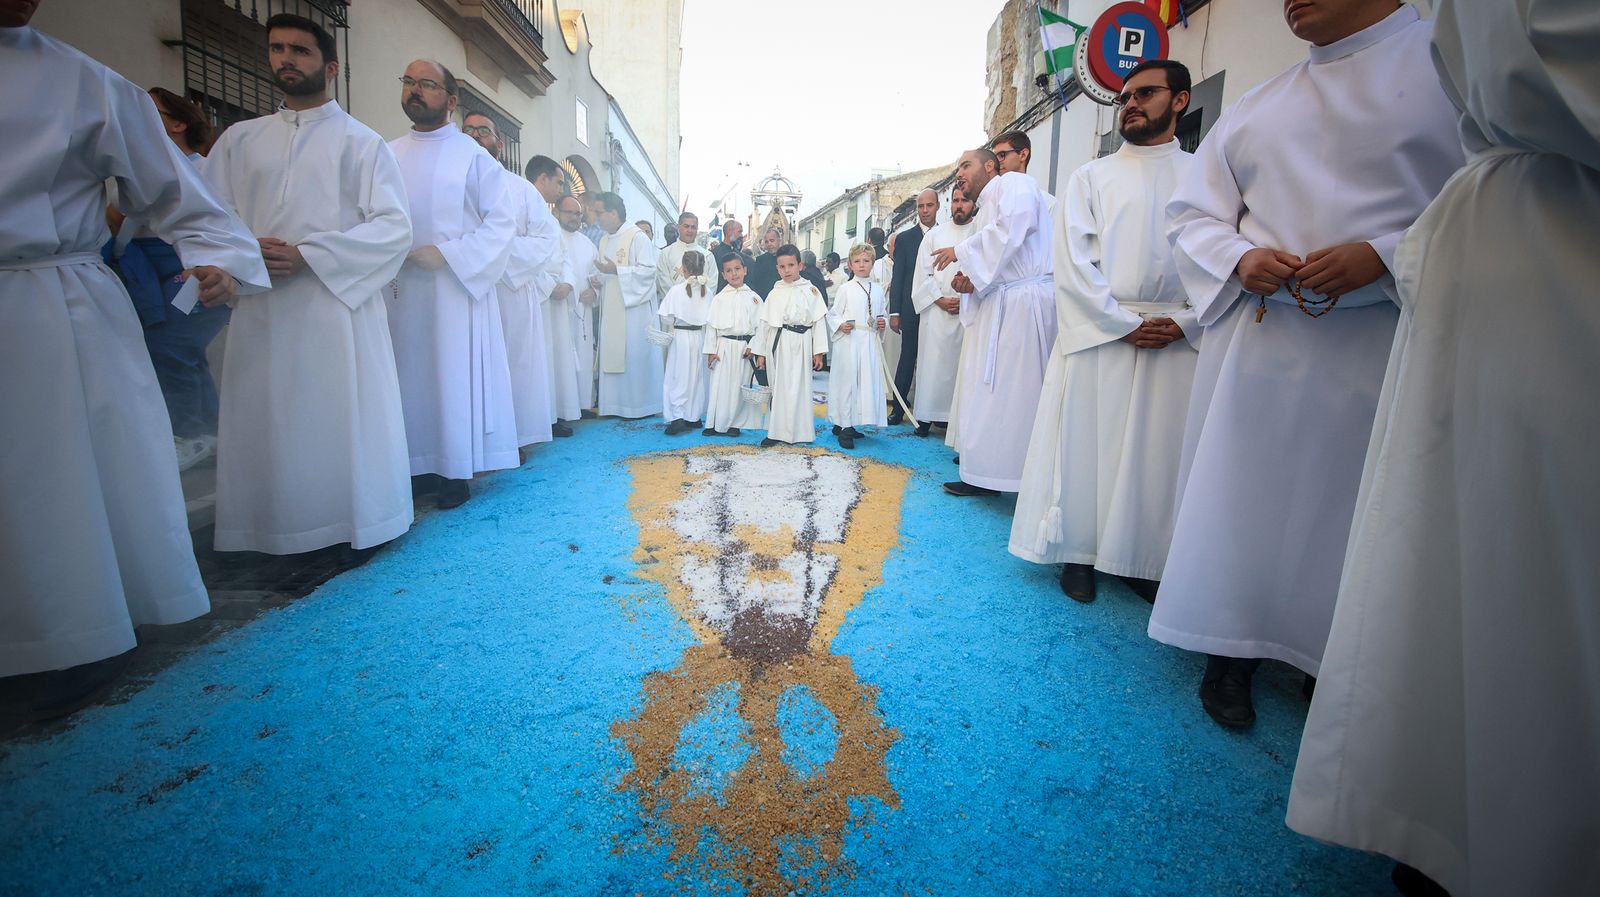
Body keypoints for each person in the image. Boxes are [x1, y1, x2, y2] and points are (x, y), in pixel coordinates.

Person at [1288, 4, 1600, 895]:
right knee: (1470, 565)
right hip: (1496, 253)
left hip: (1558, 256)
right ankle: (1458, 819)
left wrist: (1387, 253)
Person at [1150, 1, 1465, 730]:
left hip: (1389, 335)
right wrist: (1240, 256)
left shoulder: (1452, 71)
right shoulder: (1258, 104)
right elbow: (1191, 214)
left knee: (1361, 509)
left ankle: (1342, 660)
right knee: (1246, 499)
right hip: (1264, 341)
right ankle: (1232, 645)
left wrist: (1386, 255)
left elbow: (1493, 195)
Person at [0, 3, 267, 711]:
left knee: (55, 477)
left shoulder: (86, 82)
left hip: (54, 299)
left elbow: (184, 197)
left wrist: (217, 258)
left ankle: (76, 632)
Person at [204, 13, 415, 558]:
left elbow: (394, 227)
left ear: (330, 66)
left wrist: (310, 255)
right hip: (262, 307)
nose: (286, 59)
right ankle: (269, 528)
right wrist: (229, 263)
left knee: (335, 418)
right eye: (277, 49)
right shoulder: (239, 140)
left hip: (333, 307)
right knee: (268, 418)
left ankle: (348, 523)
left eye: (300, 50)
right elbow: (211, 218)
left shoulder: (362, 143)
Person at [1008, 59, 1199, 606]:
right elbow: (1073, 262)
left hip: (1175, 332)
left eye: (1144, 93)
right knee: (1088, 442)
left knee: (1157, 452)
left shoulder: (1205, 176)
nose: (1130, 104)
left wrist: (1186, 321)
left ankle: (1143, 556)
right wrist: (1121, 323)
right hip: (1105, 330)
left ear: (1180, 100)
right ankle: (1080, 552)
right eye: (1124, 97)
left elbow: (1218, 255)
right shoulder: (1091, 177)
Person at [387, 59, 519, 510]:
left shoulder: (472, 156)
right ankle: (413, 466)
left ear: (450, 99)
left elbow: (501, 224)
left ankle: (452, 469)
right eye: (409, 81)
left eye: (427, 84)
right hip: (397, 290)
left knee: (449, 375)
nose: (415, 90)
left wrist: (447, 254)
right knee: (404, 376)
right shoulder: (386, 153)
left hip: (452, 290)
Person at [106, 87, 230, 473]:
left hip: (194, 271)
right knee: (181, 351)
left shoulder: (206, 170)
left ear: (177, 123)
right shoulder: (143, 172)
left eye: (152, 112)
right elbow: (116, 216)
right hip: (150, 270)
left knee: (170, 346)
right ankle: (209, 436)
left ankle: (190, 434)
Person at [932, 148, 1057, 497]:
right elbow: (995, 262)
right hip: (1000, 305)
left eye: (965, 165)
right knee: (992, 395)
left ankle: (1023, 479)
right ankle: (987, 475)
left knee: (1017, 395)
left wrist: (961, 252)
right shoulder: (986, 205)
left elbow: (1014, 227)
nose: (959, 173)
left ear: (990, 166)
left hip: (1021, 309)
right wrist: (969, 282)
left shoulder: (1013, 183)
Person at [464, 112, 555, 454]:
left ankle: (512, 438)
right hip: (460, 289)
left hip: (508, 290)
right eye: (468, 130)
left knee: (513, 362)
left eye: (483, 131)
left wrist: (491, 253)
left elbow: (546, 239)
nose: (475, 136)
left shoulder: (520, 189)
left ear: (499, 144)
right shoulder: (449, 183)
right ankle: (468, 441)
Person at [909, 186, 976, 437]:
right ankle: (926, 415)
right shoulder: (934, 236)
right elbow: (922, 275)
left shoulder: (980, 232)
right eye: (955, 200)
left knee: (960, 367)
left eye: (965, 200)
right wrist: (939, 300)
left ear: (973, 204)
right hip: (936, 311)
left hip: (968, 308)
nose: (959, 205)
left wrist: (966, 297)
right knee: (932, 365)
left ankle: (952, 419)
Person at [593, 191, 663, 419]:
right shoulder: (604, 239)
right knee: (613, 353)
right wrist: (598, 279)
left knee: (633, 354)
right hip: (612, 308)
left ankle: (640, 406)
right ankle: (614, 406)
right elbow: (604, 271)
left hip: (635, 312)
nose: (597, 217)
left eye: (600, 213)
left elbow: (649, 272)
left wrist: (617, 271)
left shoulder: (637, 237)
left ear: (614, 213)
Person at [751, 244, 828, 446]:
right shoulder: (775, 293)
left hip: (802, 342)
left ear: (800, 266)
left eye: (791, 265)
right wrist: (760, 353)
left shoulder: (811, 291)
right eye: (782, 267)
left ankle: (801, 432)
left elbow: (819, 322)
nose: (787, 270)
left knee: (800, 387)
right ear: (777, 268)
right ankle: (776, 432)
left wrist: (819, 351)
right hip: (780, 341)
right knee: (779, 387)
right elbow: (765, 324)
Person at [527, 157, 579, 436]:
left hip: (556, 298)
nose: (561, 188)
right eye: (558, 182)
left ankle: (555, 413)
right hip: (536, 297)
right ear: (542, 179)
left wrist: (568, 282)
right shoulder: (522, 206)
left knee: (556, 359)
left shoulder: (548, 218)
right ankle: (540, 419)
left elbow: (563, 257)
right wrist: (549, 285)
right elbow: (520, 253)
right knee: (539, 358)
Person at [826, 244, 888, 450]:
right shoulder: (845, 288)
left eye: (866, 261)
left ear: (872, 263)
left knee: (862, 384)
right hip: (849, 342)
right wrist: (840, 325)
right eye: (857, 261)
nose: (862, 265)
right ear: (850, 265)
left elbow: (882, 313)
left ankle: (850, 422)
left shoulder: (878, 289)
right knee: (847, 383)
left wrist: (883, 323)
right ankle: (844, 426)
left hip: (869, 342)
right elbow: (833, 314)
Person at [887, 189, 939, 425]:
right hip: (910, 310)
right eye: (920, 206)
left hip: (938, 310)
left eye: (929, 205)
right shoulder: (905, 239)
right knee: (907, 358)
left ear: (937, 206)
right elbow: (898, 277)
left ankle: (933, 413)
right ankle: (898, 408)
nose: (924, 210)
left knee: (936, 361)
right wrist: (895, 312)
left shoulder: (944, 235)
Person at [702, 253, 764, 437]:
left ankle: (735, 424)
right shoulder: (719, 299)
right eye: (729, 271)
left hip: (744, 349)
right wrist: (711, 351)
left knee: (739, 385)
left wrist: (754, 346)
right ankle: (714, 423)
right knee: (719, 386)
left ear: (745, 270)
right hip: (723, 347)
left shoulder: (754, 298)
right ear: (723, 275)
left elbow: (761, 327)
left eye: (737, 269)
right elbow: (711, 327)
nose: (734, 274)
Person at [658, 250, 712, 434]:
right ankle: (693, 416)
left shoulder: (676, 290)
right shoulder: (707, 291)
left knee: (678, 376)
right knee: (696, 377)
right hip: (699, 337)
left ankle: (677, 416)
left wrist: (676, 320)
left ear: (684, 268)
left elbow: (666, 317)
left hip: (681, 337)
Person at [555, 193, 599, 415]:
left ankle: (582, 404)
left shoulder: (588, 244)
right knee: (559, 358)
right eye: (569, 212)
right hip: (557, 310)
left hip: (583, 312)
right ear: (556, 212)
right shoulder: (550, 237)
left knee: (583, 355)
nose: (574, 217)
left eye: (578, 213)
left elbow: (596, 276)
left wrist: (595, 292)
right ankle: (560, 409)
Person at [656, 211, 707, 298]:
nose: (689, 230)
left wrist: (698, 300)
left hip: (699, 303)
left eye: (693, 227)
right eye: (686, 226)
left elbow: (711, 283)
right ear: (678, 227)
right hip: (673, 303)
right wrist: (676, 300)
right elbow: (663, 280)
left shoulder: (707, 255)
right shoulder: (666, 253)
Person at [712, 218, 752, 293]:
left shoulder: (742, 256)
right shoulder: (714, 255)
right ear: (729, 231)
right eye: (739, 231)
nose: (741, 235)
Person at [745, 226, 783, 298]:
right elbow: (756, 282)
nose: (769, 244)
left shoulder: (787, 257)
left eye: (772, 240)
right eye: (766, 242)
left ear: (779, 241)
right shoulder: (760, 260)